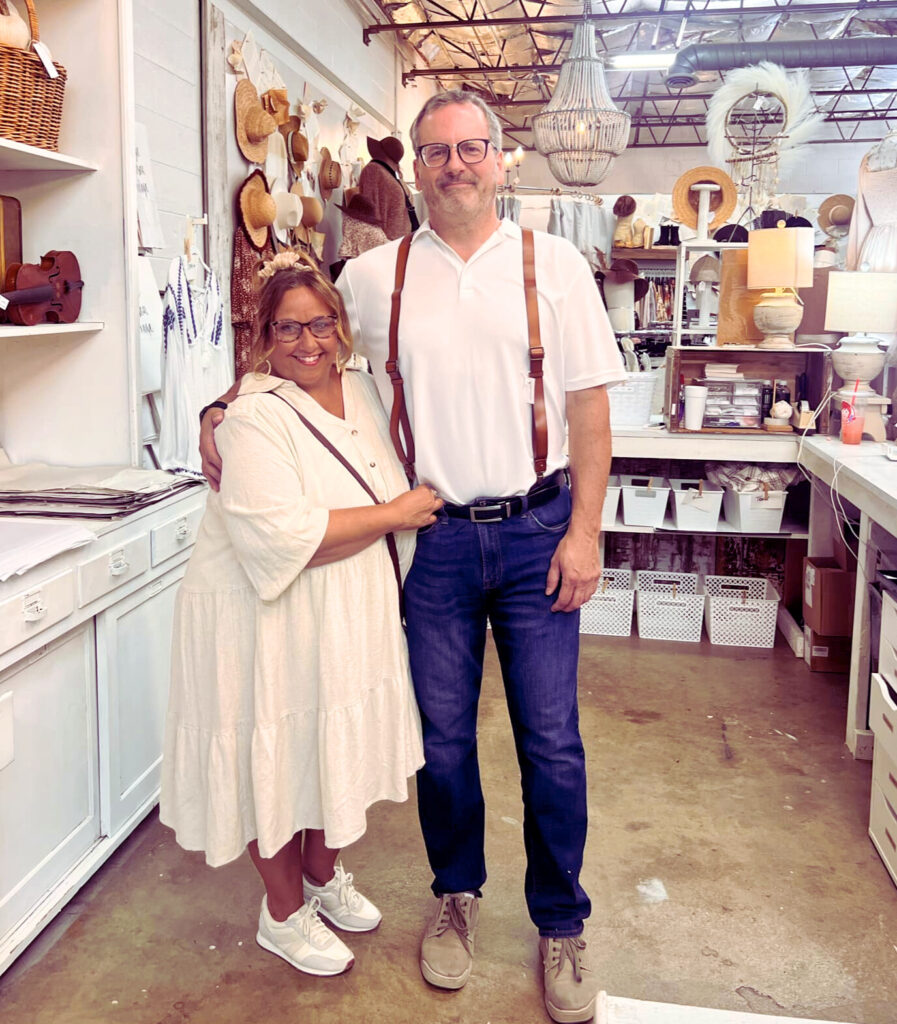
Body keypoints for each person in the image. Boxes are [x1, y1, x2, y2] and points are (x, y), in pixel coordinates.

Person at [201, 91, 623, 1023]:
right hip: (425, 540)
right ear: (415, 168)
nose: (455, 165)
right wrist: (219, 408)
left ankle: (560, 924)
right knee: (441, 743)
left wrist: (586, 530)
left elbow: (591, 407)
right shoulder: (371, 274)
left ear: (498, 158)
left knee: (549, 741)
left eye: (472, 148)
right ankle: (456, 897)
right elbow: (299, 352)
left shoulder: (552, 266)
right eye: (436, 152)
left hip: (535, 533)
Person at [162, 251, 441, 978]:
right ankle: (282, 914)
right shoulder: (253, 419)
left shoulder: (364, 390)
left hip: (345, 617)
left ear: (342, 328)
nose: (307, 343)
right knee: (277, 763)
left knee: (329, 752)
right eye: (288, 330)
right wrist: (395, 514)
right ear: (264, 336)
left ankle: (321, 879)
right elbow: (280, 540)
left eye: (320, 325)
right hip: (269, 623)